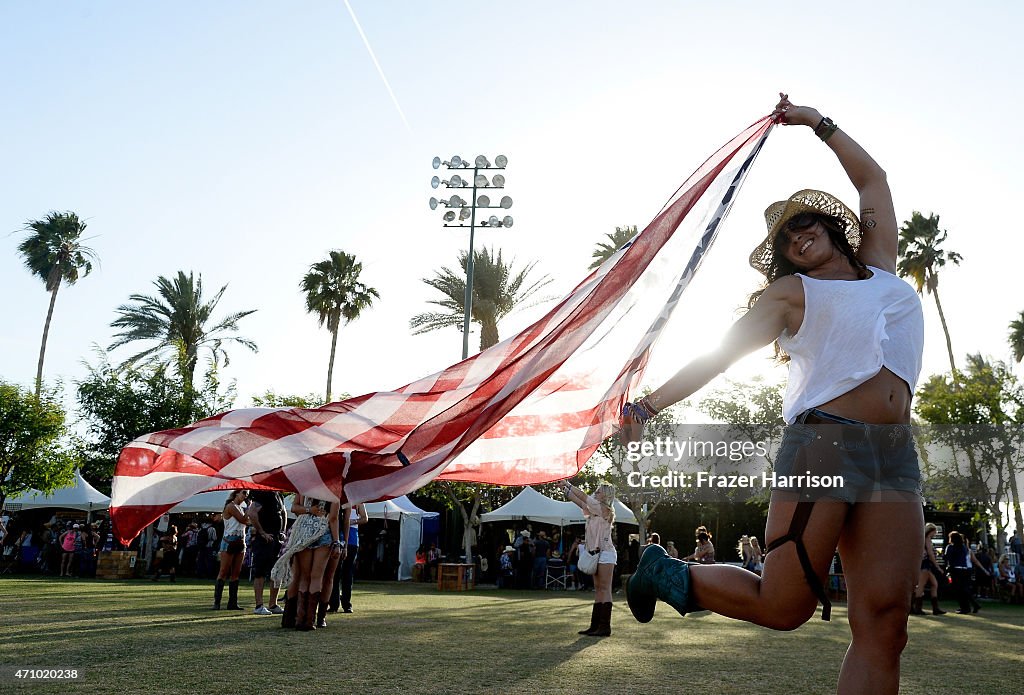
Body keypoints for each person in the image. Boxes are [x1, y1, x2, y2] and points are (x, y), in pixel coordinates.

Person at [620, 94, 927, 692]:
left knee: (886, 624)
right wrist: (650, 404)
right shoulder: (791, 296)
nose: (797, 236)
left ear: (832, 226)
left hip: (896, 454)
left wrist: (815, 122)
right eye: (787, 238)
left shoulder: (883, 269)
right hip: (826, 446)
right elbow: (722, 351)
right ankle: (667, 571)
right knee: (784, 605)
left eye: (804, 222)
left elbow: (874, 180)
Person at [270, 496, 347, 631]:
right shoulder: (332, 491)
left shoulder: (305, 486)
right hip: (323, 531)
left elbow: (294, 508)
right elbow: (334, 519)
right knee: (317, 576)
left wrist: (309, 509)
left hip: (303, 531)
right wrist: (337, 542)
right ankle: (309, 620)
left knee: (304, 577)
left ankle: (300, 619)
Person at [564, 480, 617, 637]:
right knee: (598, 589)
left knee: (604, 588)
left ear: (605, 496)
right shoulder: (594, 510)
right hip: (596, 553)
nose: (596, 492)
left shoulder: (604, 509)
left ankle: (604, 626)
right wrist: (565, 489)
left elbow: (584, 497)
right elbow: (579, 501)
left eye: (599, 491)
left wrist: (569, 484)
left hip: (606, 553)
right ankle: (595, 626)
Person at [246, 489, 288, 615]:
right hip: (265, 539)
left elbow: (283, 513)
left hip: (276, 538)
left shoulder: (279, 494)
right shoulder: (262, 493)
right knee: (260, 572)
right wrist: (262, 532)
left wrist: (282, 531)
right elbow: (252, 513)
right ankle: (259, 605)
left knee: (277, 571)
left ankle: (273, 604)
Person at [212, 490, 250, 610]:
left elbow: (246, 521)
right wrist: (250, 508)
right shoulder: (231, 506)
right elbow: (243, 520)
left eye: (247, 493)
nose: (246, 495)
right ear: (236, 493)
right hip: (229, 540)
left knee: (236, 573)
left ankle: (232, 602)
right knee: (223, 571)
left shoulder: (240, 507)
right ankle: (217, 602)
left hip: (240, 540)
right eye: (244, 493)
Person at [329, 502, 367, 613]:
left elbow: (365, 518)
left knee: (347, 572)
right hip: (338, 534)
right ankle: (333, 604)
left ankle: (347, 604)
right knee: (335, 572)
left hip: (352, 538)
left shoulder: (359, 500)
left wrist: (353, 521)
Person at [912, 523, 946, 615]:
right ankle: (916, 608)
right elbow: (930, 554)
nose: (935, 534)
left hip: (925, 564)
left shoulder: (922, 539)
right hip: (925, 564)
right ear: (931, 531)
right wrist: (937, 567)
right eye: (935, 532)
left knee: (934, 584)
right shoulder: (927, 539)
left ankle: (935, 608)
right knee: (921, 585)